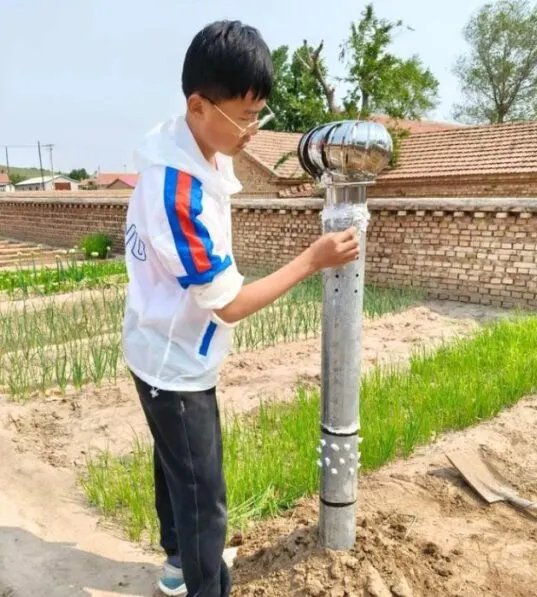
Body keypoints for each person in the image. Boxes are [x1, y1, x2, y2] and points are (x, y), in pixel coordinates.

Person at [121, 21, 360, 597]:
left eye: (259, 114)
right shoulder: (177, 192)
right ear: (198, 105)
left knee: (175, 469)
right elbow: (228, 304)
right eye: (244, 117)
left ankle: (176, 568)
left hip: (156, 344)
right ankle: (205, 586)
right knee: (204, 500)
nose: (253, 131)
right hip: (175, 366)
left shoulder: (193, 144)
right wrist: (313, 258)